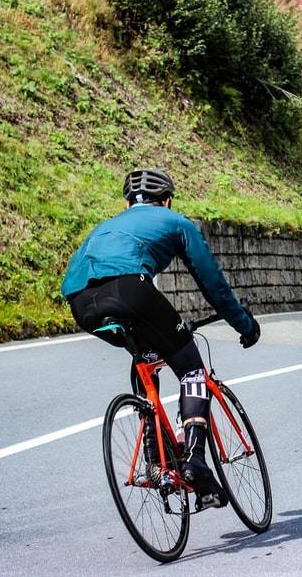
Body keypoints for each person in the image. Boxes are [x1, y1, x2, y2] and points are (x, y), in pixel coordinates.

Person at [61, 168, 261, 509]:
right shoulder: (175, 222)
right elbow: (213, 284)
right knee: (191, 367)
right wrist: (244, 324)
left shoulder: (106, 226)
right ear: (166, 200)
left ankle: (157, 463)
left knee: (145, 359)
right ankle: (195, 460)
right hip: (129, 289)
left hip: (79, 301)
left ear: (128, 203)